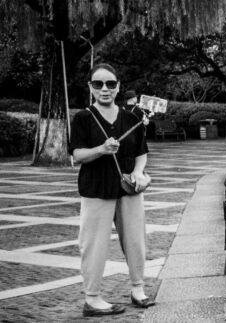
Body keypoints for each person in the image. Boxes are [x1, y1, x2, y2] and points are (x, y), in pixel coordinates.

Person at [68, 63, 154, 317]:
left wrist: (139, 173)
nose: (104, 89)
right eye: (98, 84)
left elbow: (142, 152)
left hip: (128, 190)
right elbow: (77, 154)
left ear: (118, 87)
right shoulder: (83, 118)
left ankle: (138, 289)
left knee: (136, 241)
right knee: (93, 245)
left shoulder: (132, 118)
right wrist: (101, 150)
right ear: (90, 88)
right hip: (96, 189)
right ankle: (92, 298)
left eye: (110, 84)